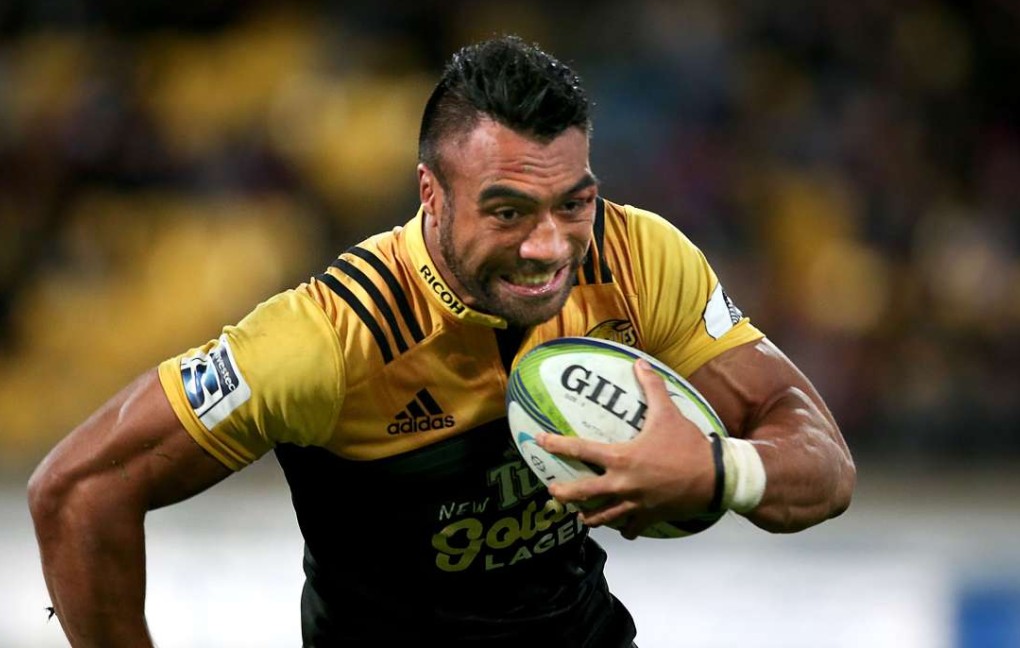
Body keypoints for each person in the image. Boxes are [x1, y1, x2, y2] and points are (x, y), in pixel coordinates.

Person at [28, 35, 856, 647]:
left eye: (573, 202)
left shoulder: (637, 256)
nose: (550, 246)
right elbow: (77, 491)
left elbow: (821, 460)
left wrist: (720, 470)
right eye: (506, 212)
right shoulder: (327, 342)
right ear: (432, 193)